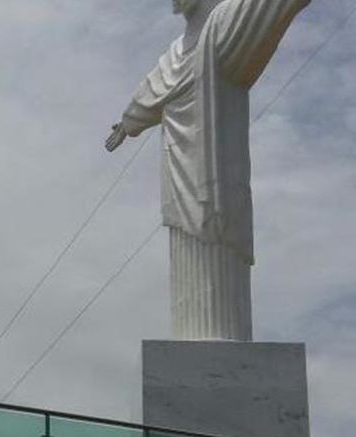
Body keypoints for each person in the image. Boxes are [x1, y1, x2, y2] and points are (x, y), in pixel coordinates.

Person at [105, 0, 311, 341]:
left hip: (218, 188)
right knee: (188, 260)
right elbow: (149, 94)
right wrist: (127, 124)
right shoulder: (175, 54)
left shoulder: (224, 28)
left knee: (217, 263)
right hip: (178, 186)